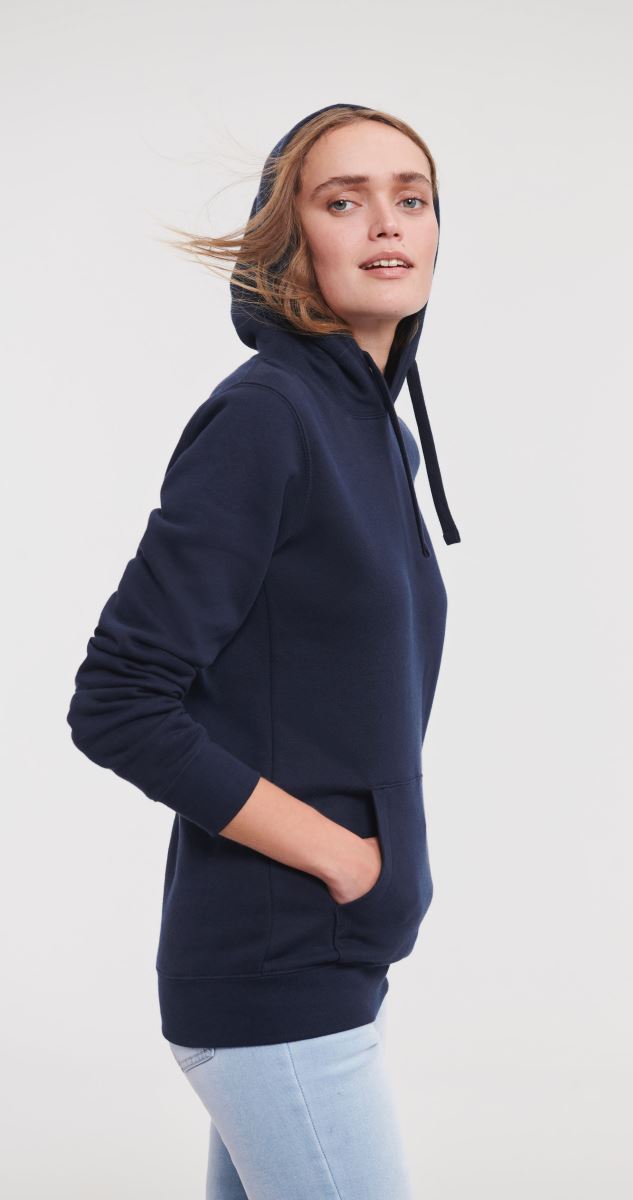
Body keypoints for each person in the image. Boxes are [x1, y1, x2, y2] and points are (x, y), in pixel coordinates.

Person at [66, 101, 460, 1199]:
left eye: (412, 197)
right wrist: (343, 858)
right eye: (343, 200)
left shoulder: (371, 430)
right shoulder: (267, 418)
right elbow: (118, 700)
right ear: (292, 241)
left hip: (328, 965)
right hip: (274, 965)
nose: (386, 222)